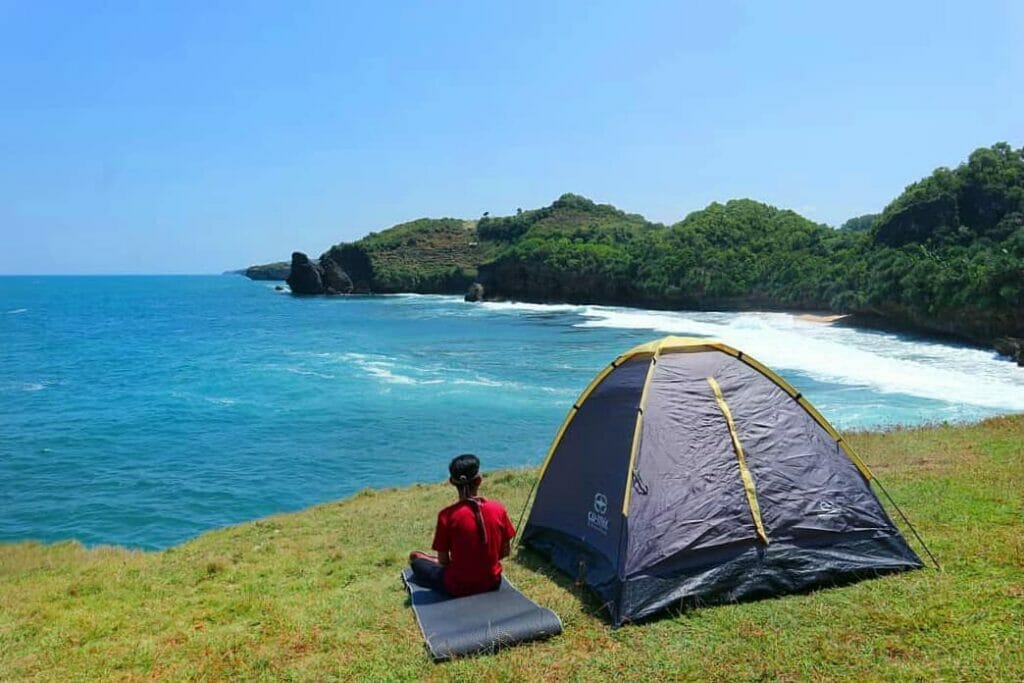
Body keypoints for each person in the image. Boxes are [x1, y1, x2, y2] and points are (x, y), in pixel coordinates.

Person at [408, 453, 516, 596]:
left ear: (452, 482)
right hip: (492, 583)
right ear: (479, 480)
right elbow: (505, 552)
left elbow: (444, 562)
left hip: (458, 587)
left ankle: (427, 559)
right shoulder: (498, 509)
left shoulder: (447, 516)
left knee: (416, 562)